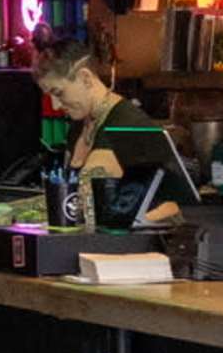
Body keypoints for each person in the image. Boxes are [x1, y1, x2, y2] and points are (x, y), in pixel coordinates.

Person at [35, 41, 181, 227]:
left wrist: (0, 211)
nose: (55, 105)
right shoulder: (78, 127)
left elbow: (73, 203)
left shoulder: (124, 125)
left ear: (85, 78)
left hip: (146, 245)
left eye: (59, 93)